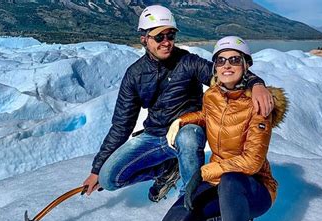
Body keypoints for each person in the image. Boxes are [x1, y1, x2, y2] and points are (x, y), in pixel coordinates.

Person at [82, 5, 274, 202]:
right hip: (154, 135)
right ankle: (166, 170)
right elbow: (122, 124)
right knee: (109, 179)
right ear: (144, 38)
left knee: (188, 139)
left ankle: (190, 198)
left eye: (170, 35)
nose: (166, 42)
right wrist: (97, 168)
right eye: (159, 37)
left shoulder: (188, 62)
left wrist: (257, 84)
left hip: (188, 129)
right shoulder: (135, 75)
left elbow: (226, 74)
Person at [159, 36, 287, 221]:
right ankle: (231, 217)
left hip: (253, 188)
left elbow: (252, 162)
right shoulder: (212, 96)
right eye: (221, 60)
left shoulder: (258, 105)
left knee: (231, 182)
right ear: (214, 67)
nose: (227, 65)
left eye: (235, 59)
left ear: (246, 66)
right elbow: (208, 117)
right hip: (218, 182)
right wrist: (183, 120)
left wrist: (204, 171)